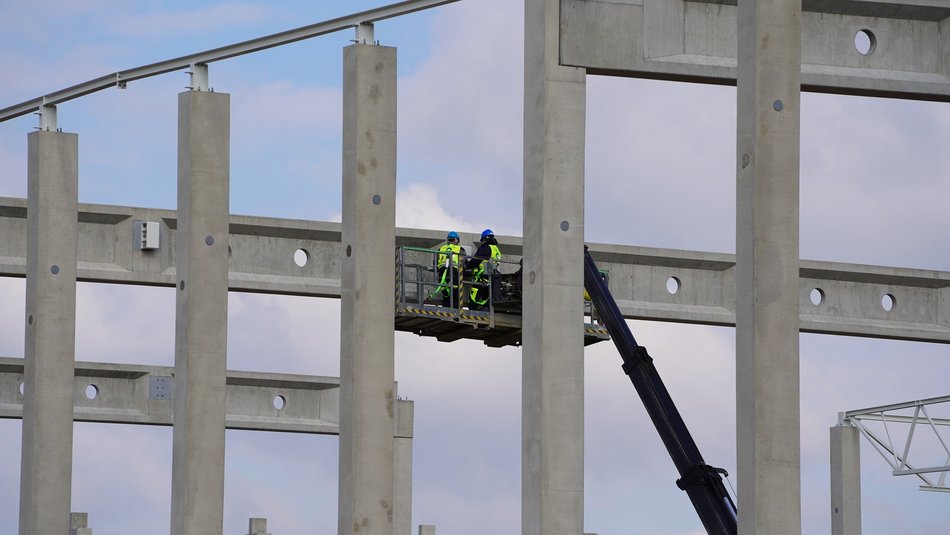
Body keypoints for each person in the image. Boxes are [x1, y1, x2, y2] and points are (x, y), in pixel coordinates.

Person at [464, 228, 502, 310]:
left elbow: (476, 261)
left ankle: (472, 315)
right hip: (491, 278)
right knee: (486, 298)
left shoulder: (485, 248)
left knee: (473, 298)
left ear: (484, 239)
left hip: (481, 277)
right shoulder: (496, 249)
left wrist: (466, 265)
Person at [436, 231, 465, 307]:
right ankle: (455, 312)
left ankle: (446, 311)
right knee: (455, 293)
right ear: (457, 240)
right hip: (454, 273)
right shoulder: (460, 249)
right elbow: (464, 263)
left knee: (446, 294)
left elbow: (436, 262)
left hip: (442, 274)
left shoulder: (441, 248)